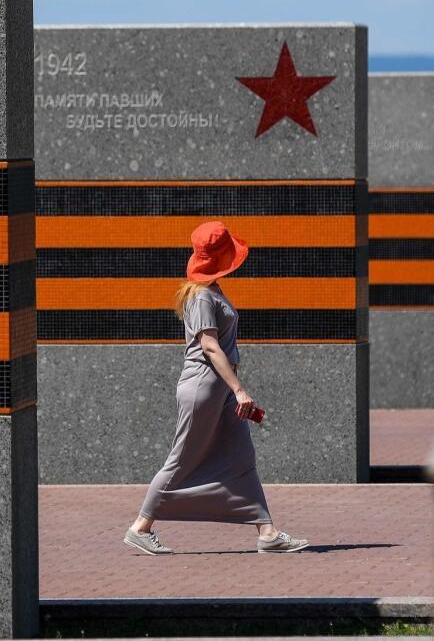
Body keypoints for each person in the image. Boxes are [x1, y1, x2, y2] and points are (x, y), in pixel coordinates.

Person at [123, 221, 309, 556]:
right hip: (203, 387)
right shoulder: (202, 297)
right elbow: (210, 347)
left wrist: (233, 389)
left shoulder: (210, 290)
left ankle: (267, 532)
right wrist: (239, 389)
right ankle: (141, 527)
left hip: (216, 388)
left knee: (241, 456)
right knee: (181, 459)